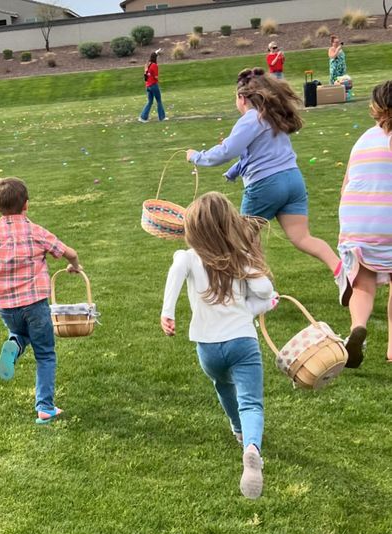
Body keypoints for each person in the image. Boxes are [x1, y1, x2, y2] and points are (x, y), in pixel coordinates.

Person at [186, 67, 351, 306]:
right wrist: (234, 171)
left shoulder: (250, 119)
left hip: (265, 186)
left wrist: (195, 157)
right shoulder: (271, 116)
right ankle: (341, 273)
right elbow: (260, 150)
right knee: (303, 237)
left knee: (242, 242)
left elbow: (225, 151)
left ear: (241, 98)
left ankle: (263, 293)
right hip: (293, 180)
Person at [161, 191, 279, 500]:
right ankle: (252, 447)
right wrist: (262, 302)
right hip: (243, 341)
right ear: (229, 223)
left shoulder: (187, 258)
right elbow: (265, 291)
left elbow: (175, 273)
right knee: (251, 400)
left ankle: (237, 430)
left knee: (222, 385)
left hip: (208, 347)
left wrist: (167, 312)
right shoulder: (240, 257)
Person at [0, 177, 80, 424]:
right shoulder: (36, 232)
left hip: (6, 307)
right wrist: (74, 265)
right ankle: (45, 407)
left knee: (19, 333)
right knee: (45, 354)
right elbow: (70, 252)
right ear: (26, 205)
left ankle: (15, 345)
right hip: (36, 305)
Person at [338, 80, 392, 368]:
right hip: (388, 220)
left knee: (363, 284)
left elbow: (345, 186)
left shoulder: (362, 141)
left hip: (357, 221)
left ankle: (358, 326)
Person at [138, 51, 168, 123]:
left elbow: (145, 77)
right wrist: (158, 80)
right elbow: (156, 77)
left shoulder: (148, 65)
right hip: (154, 85)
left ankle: (143, 117)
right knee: (159, 101)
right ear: (156, 58)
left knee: (150, 102)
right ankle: (162, 117)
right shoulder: (155, 65)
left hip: (148, 86)